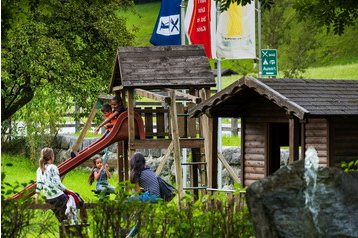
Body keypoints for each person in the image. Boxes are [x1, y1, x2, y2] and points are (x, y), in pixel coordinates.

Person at [126, 153, 161, 237]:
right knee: (141, 221)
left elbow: (137, 191)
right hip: (157, 197)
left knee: (126, 200)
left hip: (150, 197)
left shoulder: (137, 174)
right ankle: (129, 236)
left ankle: (125, 222)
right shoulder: (148, 170)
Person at [35, 147, 74, 222]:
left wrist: (36, 196)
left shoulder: (39, 170)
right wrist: (67, 190)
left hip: (48, 199)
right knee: (72, 199)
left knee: (62, 218)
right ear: (52, 157)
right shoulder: (53, 167)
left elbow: (39, 185)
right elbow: (58, 184)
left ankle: (65, 224)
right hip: (58, 197)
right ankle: (72, 222)